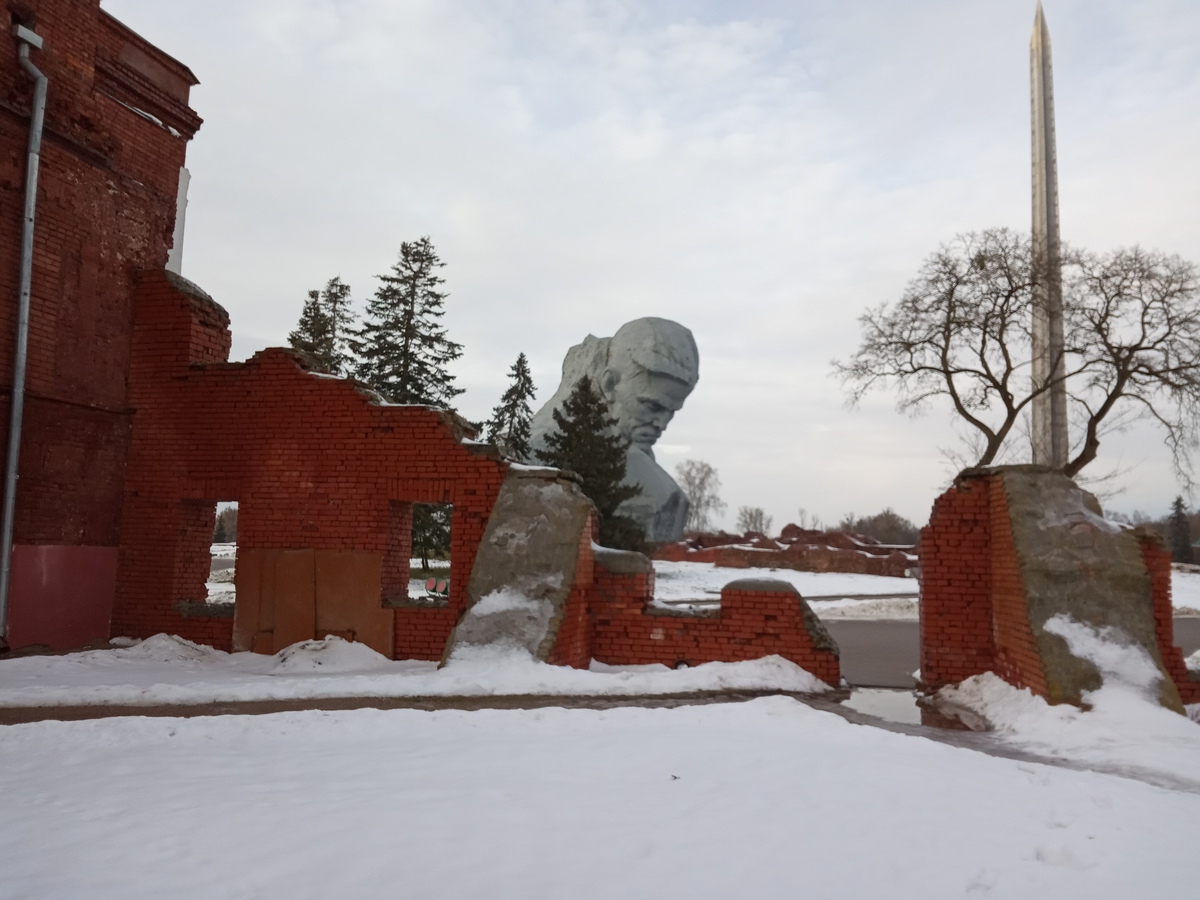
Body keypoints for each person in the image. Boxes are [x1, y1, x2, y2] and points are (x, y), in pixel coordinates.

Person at [529, 317, 699, 543]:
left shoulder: (642, 463)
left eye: (672, 411)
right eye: (652, 406)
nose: (662, 423)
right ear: (609, 385)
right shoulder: (539, 451)